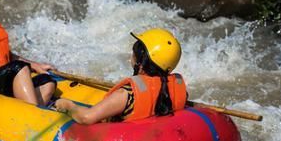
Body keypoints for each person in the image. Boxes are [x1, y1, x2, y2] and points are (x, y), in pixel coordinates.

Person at [54, 28, 188, 124]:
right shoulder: (178, 91)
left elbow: (87, 117)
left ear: (140, 63)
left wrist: (67, 106)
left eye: (134, 52)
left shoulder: (126, 94)